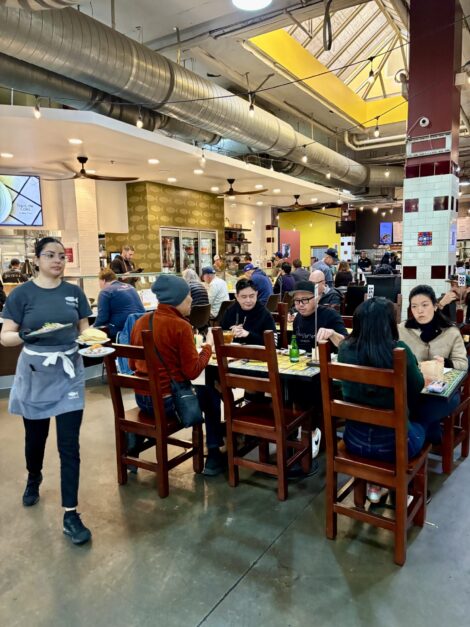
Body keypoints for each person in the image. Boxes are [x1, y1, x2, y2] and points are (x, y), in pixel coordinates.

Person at [0, 237, 92, 545]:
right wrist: (26, 334)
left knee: (69, 445)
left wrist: (93, 343)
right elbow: (6, 337)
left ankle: (71, 514)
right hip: (36, 373)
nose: (57, 260)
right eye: (50, 255)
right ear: (37, 259)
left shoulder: (74, 293)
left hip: (69, 372)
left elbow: (84, 331)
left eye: (61, 256)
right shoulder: (22, 294)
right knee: (35, 438)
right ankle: (34, 476)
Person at [128, 274, 225, 475]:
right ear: (177, 299)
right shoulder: (180, 325)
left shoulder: (140, 322)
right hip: (168, 403)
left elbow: (131, 364)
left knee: (203, 391)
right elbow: (192, 371)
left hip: (143, 399)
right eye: (188, 296)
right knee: (211, 395)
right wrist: (208, 346)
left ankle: (133, 449)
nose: (191, 301)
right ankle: (214, 455)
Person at [338, 298, 427, 503]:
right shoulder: (399, 351)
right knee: (426, 422)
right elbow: (416, 388)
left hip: (353, 440)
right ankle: (404, 491)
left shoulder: (345, 350)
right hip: (394, 446)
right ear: (389, 323)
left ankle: (375, 484)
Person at [398, 285, 467, 454]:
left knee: (418, 411)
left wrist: (447, 362)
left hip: (442, 392)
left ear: (435, 306)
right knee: (404, 404)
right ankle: (429, 431)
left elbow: (463, 364)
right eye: (414, 306)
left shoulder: (451, 331)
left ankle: (417, 433)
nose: (419, 311)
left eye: (425, 305)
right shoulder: (402, 329)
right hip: (411, 390)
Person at [292, 281, 348, 352]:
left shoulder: (330, 315)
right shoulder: (298, 318)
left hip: (325, 360)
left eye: (305, 299)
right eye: (297, 300)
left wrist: (332, 333)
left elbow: (347, 345)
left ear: (317, 298)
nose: (300, 304)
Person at [93, 268, 145, 340]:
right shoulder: (130, 287)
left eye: (99, 282)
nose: (99, 285)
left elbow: (102, 318)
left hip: (122, 331)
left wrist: (92, 328)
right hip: (140, 328)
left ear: (103, 280)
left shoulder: (105, 292)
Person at [221, 278, 276, 345]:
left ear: (256, 294)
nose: (248, 300)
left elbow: (273, 342)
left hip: (257, 353)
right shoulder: (230, 311)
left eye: (252, 296)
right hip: (233, 353)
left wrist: (248, 335)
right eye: (244, 297)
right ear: (237, 297)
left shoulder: (264, 314)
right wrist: (230, 333)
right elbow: (220, 334)